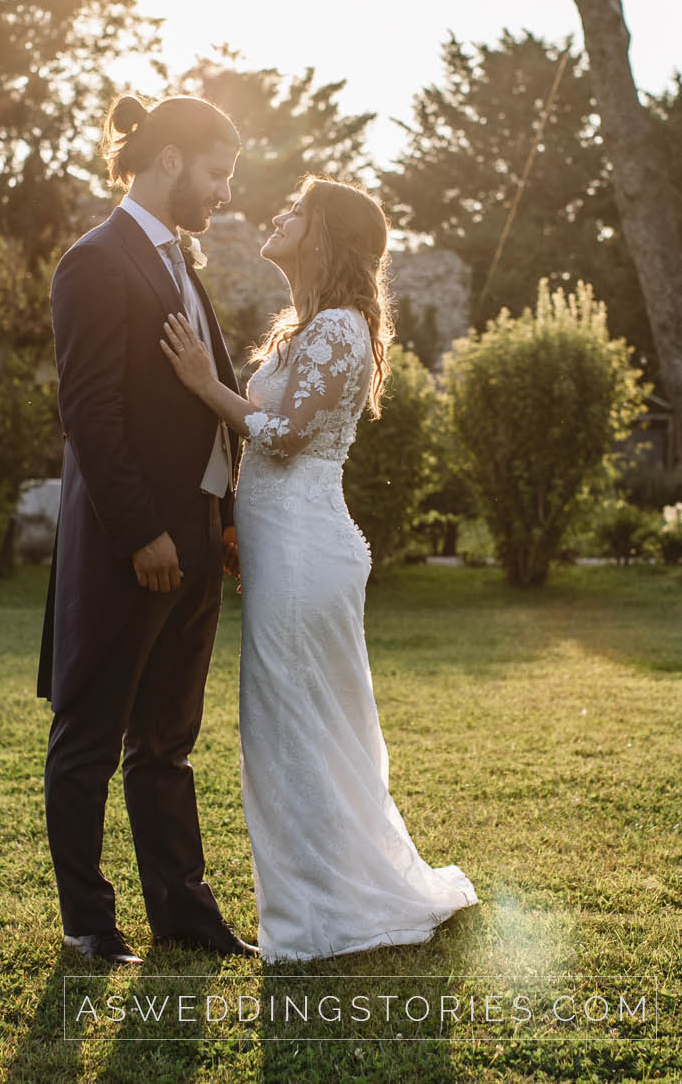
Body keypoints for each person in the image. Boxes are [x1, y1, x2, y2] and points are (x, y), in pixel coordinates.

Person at [160, 177, 478, 963]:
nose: (276, 214)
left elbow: (289, 434)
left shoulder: (339, 326)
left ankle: (318, 919)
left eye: (294, 209)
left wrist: (205, 385)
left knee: (294, 727)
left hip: (307, 552)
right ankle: (320, 901)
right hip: (283, 549)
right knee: (289, 727)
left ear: (325, 235)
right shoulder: (301, 328)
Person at [39, 94, 258, 965]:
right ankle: (89, 921)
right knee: (90, 732)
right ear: (169, 160)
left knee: (168, 738)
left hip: (199, 537)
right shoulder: (93, 262)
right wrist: (141, 533)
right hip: (134, 547)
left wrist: (226, 513)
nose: (223, 194)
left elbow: (201, 401)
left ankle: (183, 910)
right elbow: (89, 411)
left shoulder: (177, 260)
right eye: (216, 174)